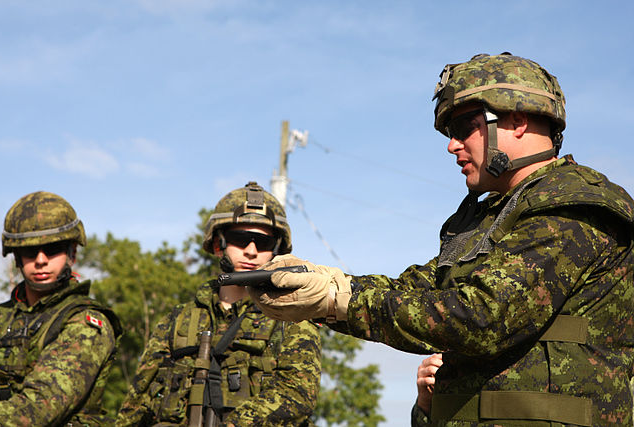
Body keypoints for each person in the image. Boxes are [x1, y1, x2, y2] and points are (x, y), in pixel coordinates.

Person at [249, 53, 634, 425]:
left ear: (517, 120)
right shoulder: (485, 218)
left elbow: (483, 315)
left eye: (465, 128)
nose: (452, 145)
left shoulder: (573, 203)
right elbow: (417, 290)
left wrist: (339, 300)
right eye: (451, 133)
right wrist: (325, 287)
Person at [117, 181, 321, 426]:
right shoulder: (176, 321)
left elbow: (297, 397)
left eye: (264, 243)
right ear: (217, 244)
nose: (252, 251)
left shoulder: (293, 318)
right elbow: (135, 406)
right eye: (240, 239)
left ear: (276, 253)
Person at [0, 191, 122, 426]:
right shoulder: (0, 318)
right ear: (17, 257)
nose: (41, 260)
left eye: (52, 249)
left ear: (71, 252)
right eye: (30, 251)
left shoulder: (86, 322)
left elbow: (40, 406)